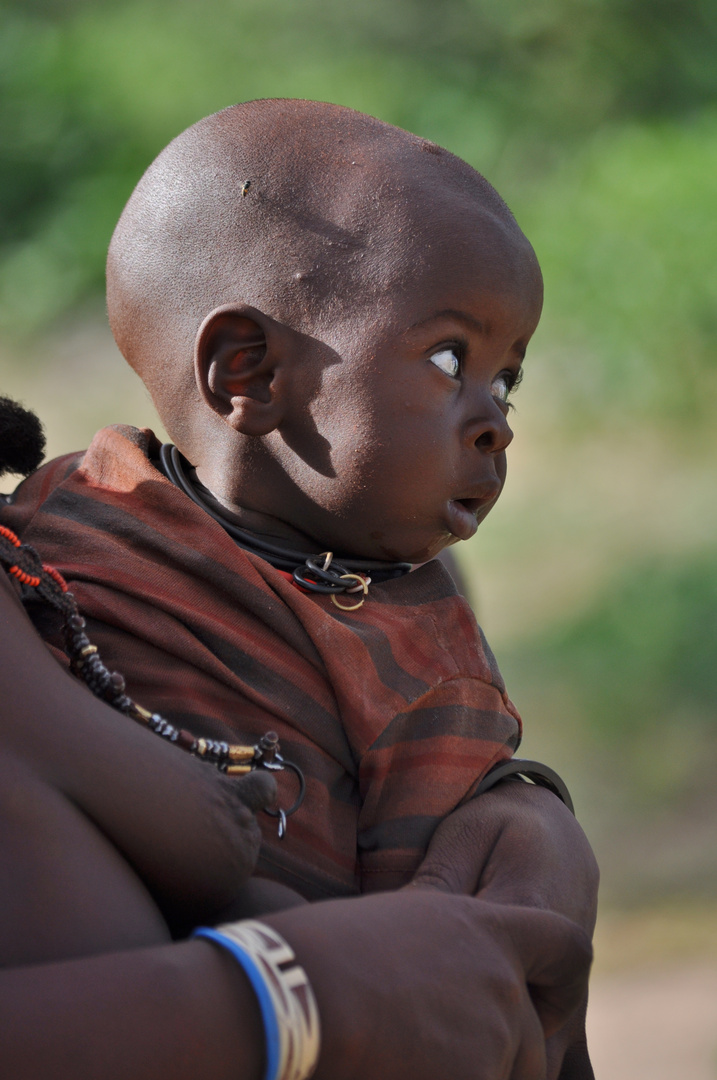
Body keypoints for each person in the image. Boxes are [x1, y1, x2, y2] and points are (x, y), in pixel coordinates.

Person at [1, 99, 599, 1074]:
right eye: (452, 360)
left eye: (508, 380)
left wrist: (526, 808)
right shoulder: (72, 532)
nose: (496, 421)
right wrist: (282, 988)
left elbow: (483, 947)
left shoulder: (417, 625)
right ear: (247, 371)